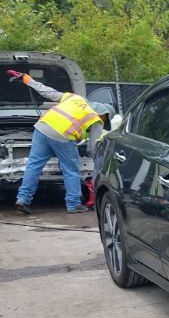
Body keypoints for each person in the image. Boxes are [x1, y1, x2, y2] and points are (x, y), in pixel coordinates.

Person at [7, 69, 114, 215]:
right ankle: (74, 204)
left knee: (33, 166)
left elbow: (48, 92)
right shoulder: (96, 119)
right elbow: (93, 147)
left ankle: (23, 199)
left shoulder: (76, 98)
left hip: (42, 127)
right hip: (62, 135)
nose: (103, 122)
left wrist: (27, 80)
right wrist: (98, 164)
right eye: (105, 120)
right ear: (104, 114)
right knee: (71, 170)